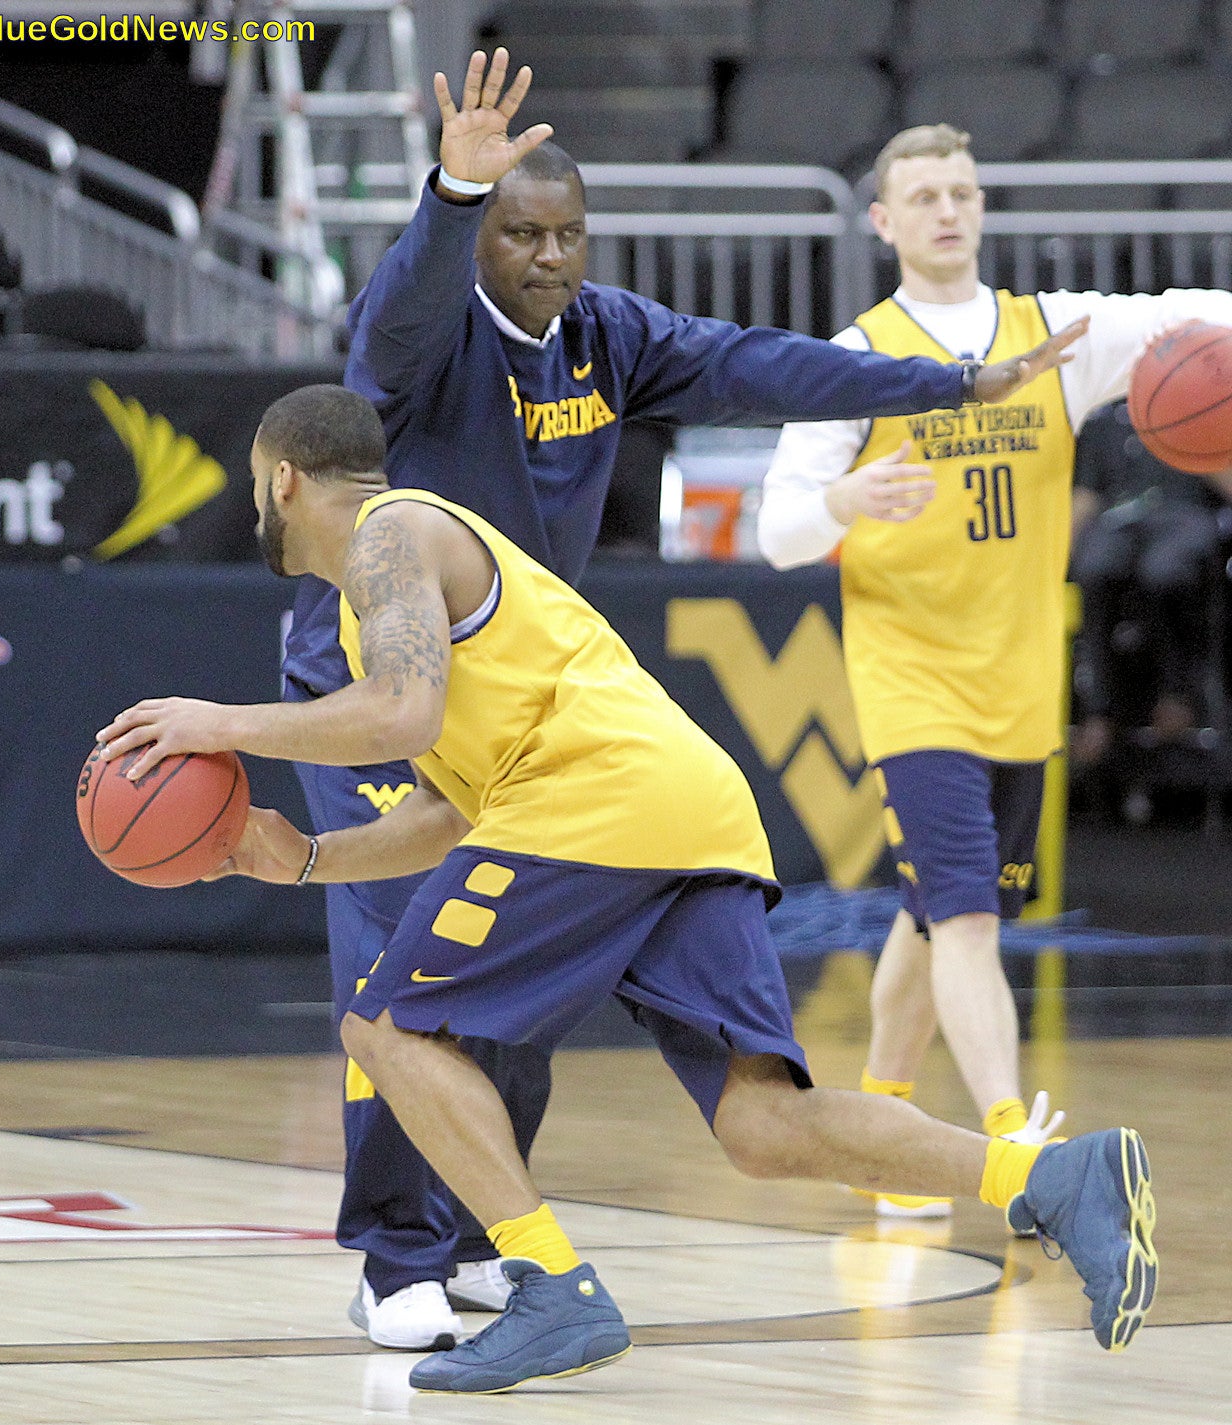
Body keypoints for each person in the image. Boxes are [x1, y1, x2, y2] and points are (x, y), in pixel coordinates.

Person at [97, 384, 1157, 1393]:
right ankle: (1049, 1179)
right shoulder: (394, 584)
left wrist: (218, 722)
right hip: (682, 809)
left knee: (385, 1029)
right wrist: (310, 859)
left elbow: (401, 715)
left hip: (594, 800)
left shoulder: (388, 535)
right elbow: (450, 809)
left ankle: (549, 1282)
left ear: (283, 479)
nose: (253, 507)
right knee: (760, 1126)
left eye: (251, 487)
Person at [285, 52, 1089, 1342]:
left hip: (526, 700)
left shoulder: (607, 338)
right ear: (479, 239)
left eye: (565, 235)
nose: (547, 258)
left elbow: (770, 367)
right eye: (518, 234)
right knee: (402, 961)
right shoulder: (426, 340)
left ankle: (490, 1237)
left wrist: (947, 386)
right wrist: (447, 194)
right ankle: (394, 1265)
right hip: (378, 679)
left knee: (515, 974)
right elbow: (386, 318)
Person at [757, 122, 1232, 1219]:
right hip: (910, 683)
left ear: (979, 207)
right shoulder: (857, 358)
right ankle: (1016, 1155)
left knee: (931, 918)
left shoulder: (1049, 339)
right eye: (920, 194)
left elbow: (1189, 316)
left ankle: (880, 1125)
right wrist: (842, 502)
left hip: (1020, 684)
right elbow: (775, 528)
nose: (944, 209)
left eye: (960, 190)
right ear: (880, 222)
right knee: (966, 920)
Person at [1069, 397, 1232, 770]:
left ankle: (1179, 697)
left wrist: (1195, 437)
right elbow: (1087, 496)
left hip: (1183, 514)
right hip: (1119, 518)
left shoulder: (1200, 400)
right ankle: (1099, 711)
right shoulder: (1105, 415)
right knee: (1092, 566)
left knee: (1164, 571)